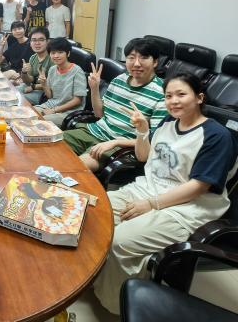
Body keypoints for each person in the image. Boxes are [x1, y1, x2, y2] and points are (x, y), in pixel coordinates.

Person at [93, 73, 238, 315]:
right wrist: (142, 132)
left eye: (181, 94)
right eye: (168, 96)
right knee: (94, 214)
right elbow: (144, 157)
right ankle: (99, 277)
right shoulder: (168, 122)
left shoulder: (216, 136)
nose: (174, 101)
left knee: (119, 241)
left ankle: (116, 304)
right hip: (146, 190)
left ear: (199, 97)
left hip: (187, 208)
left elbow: (198, 187)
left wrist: (151, 204)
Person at [63, 38, 168, 171]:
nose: (136, 63)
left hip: (120, 146)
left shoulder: (163, 93)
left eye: (144, 58)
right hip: (94, 131)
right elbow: (99, 114)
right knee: (50, 144)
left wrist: (115, 142)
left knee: (72, 167)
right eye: (131, 58)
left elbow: (153, 139)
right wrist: (94, 88)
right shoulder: (119, 80)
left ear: (155, 62)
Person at [34, 37, 87, 126]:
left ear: (68, 53)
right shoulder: (52, 69)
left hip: (69, 112)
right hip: (51, 105)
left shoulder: (77, 71)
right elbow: (50, 96)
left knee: (38, 122)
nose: (56, 56)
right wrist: (44, 84)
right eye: (53, 53)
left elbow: (77, 100)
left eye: (60, 52)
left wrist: (54, 110)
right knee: (28, 114)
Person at [21, 27, 53, 104]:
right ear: (30, 43)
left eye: (41, 40)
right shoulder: (33, 57)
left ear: (48, 42)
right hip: (34, 87)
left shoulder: (53, 59)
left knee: (19, 98)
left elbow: (53, 85)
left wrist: (33, 87)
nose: (37, 43)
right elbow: (29, 81)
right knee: (12, 91)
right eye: (34, 40)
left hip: (46, 92)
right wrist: (24, 72)